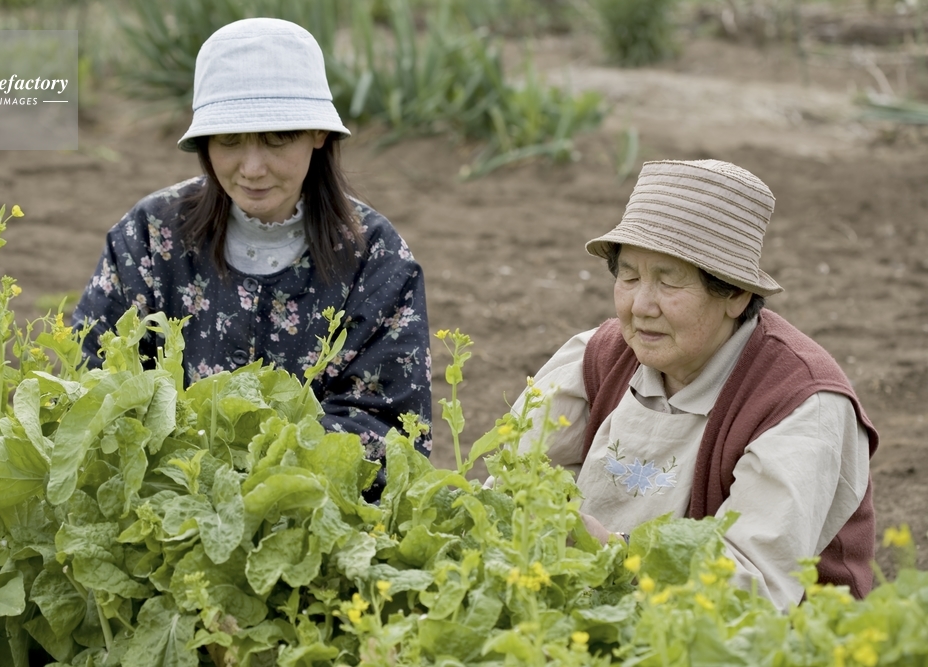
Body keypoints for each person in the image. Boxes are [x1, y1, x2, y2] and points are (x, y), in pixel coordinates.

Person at [72, 18, 432, 496]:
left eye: (276, 138)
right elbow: (93, 383)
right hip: (166, 507)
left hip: (317, 516)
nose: (253, 168)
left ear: (317, 134)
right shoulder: (149, 236)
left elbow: (394, 429)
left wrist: (266, 478)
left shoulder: (376, 258)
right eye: (230, 140)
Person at [507, 159, 877, 611]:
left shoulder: (799, 403)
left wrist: (606, 550)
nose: (641, 306)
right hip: (603, 613)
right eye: (629, 277)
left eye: (669, 281)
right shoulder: (601, 356)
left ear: (735, 294)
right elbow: (512, 484)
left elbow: (749, 594)